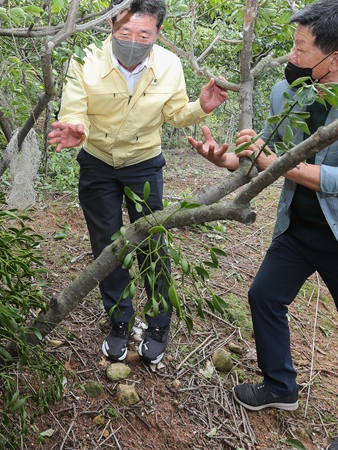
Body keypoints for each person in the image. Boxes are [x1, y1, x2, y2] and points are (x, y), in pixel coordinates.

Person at [188, 0, 338, 448]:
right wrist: (229, 160)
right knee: (264, 296)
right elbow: (265, 156)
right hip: (300, 224)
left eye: (300, 48)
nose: (290, 57)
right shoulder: (287, 93)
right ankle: (280, 386)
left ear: (335, 59)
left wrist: (276, 163)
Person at [47, 0, 228, 365]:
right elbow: (74, 108)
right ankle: (119, 320)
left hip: (144, 164)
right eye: (124, 32)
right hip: (97, 163)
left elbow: (175, 114)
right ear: (111, 26)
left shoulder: (169, 64)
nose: (132, 40)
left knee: (152, 243)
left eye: (143, 34)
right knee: (107, 245)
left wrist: (201, 108)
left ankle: (159, 321)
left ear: (158, 33)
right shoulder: (85, 59)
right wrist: (75, 128)